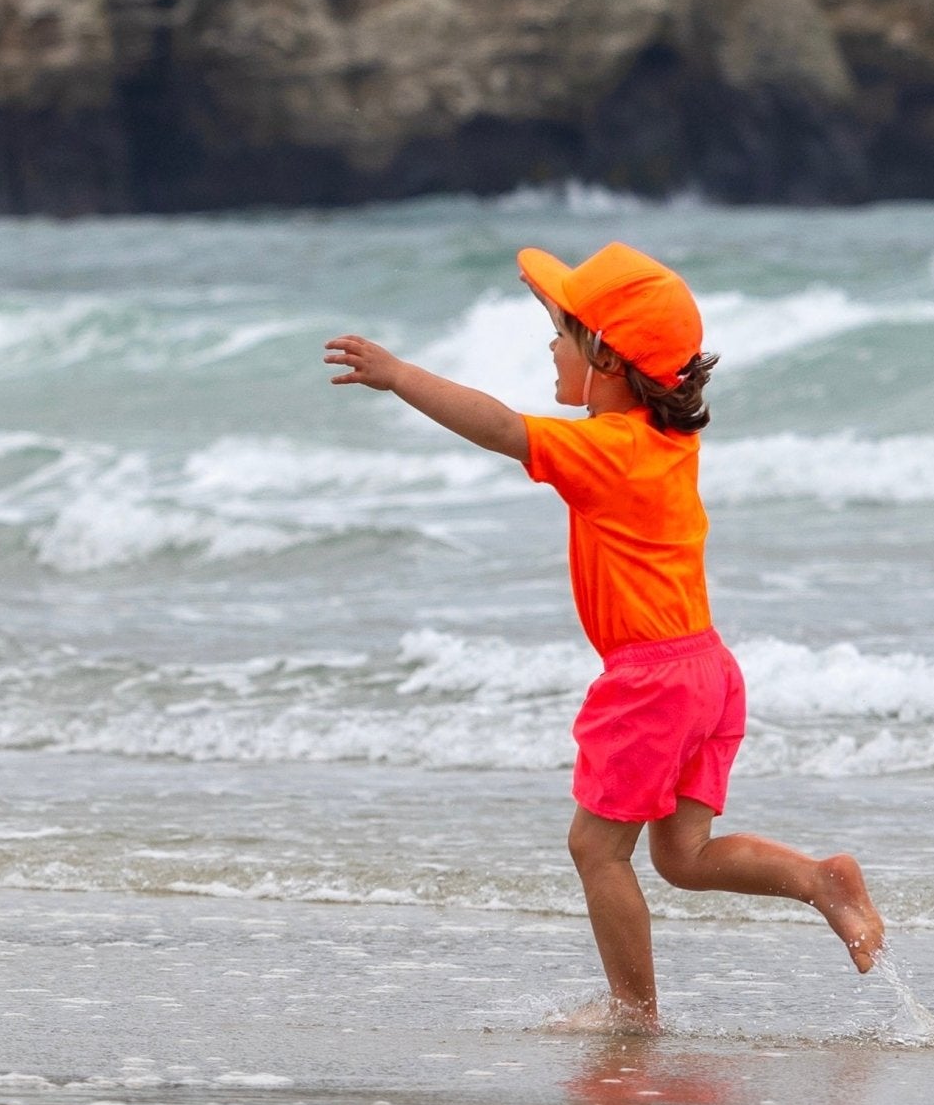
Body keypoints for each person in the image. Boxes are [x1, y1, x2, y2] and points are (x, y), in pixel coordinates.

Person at [325, 239, 884, 1030]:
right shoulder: (666, 443)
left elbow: (501, 427)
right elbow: (580, 377)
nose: (549, 346)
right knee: (682, 857)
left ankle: (634, 1011)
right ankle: (817, 879)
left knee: (597, 849)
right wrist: (558, 301)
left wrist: (400, 376)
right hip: (709, 670)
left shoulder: (604, 452)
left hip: (651, 680)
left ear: (609, 364)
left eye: (563, 334)